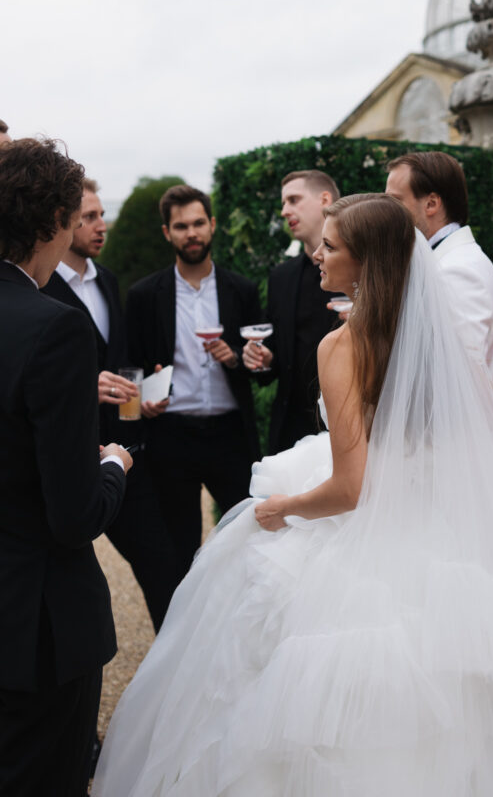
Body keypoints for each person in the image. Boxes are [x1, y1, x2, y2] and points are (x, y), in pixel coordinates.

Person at [95, 193, 493, 797]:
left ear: (366, 261)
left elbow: (352, 488)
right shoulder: (432, 335)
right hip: (435, 531)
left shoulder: (343, 345)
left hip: (362, 541)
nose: (317, 254)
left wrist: (280, 508)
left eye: (330, 246)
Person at [0, 138, 131, 797]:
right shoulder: (54, 327)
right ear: (54, 221)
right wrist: (112, 465)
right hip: (35, 633)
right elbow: (74, 516)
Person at [42, 178, 177, 632]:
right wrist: (84, 385)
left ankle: (179, 671)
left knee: (162, 569)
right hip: (65, 460)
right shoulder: (38, 292)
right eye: (90, 218)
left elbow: (118, 362)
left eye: (102, 215)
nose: (103, 226)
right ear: (62, 221)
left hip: (121, 452)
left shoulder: (109, 280)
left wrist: (144, 399)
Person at [125, 184, 261, 588]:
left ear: (212, 225)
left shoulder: (242, 290)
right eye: (181, 226)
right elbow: (128, 365)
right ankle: (184, 640)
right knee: (177, 550)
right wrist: (137, 407)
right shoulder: (144, 295)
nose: (192, 233)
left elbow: (263, 367)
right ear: (168, 233)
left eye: (199, 223)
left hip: (230, 435)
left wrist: (237, 358)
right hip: (171, 437)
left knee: (249, 536)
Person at [385, 150, 493, 389]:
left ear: (431, 204)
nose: (387, 212)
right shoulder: (441, 262)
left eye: (395, 201)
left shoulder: (458, 271)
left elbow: (462, 374)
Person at [243, 169, 342, 452]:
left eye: (294, 200)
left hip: (347, 428)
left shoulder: (362, 268)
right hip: (291, 433)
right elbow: (273, 361)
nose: (285, 210)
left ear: (325, 199)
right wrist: (262, 358)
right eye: (284, 203)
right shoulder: (281, 277)